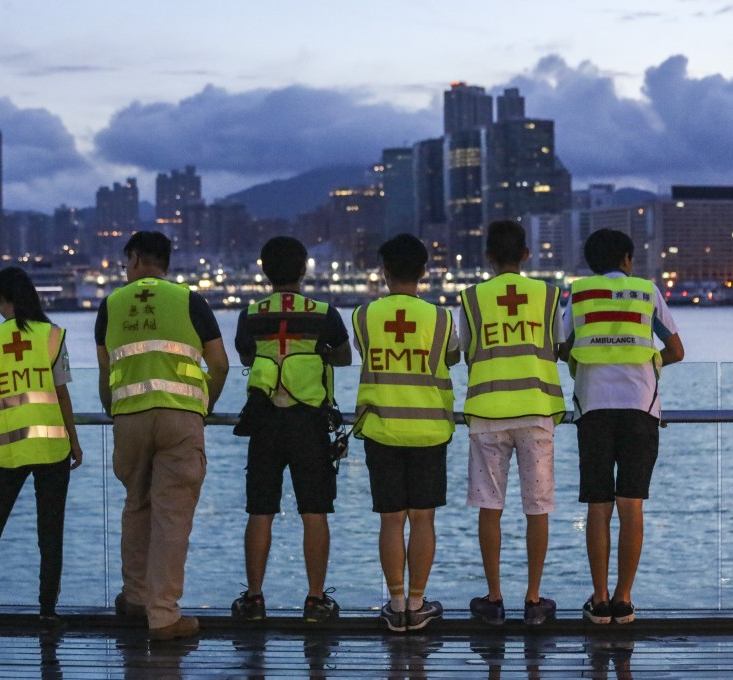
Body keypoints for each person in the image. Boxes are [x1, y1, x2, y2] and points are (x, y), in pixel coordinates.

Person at [96, 231, 229, 641]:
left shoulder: (110, 306)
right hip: (180, 418)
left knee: (136, 508)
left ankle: (135, 597)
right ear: (166, 263)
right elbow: (220, 364)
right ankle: (164, 615)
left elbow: (106, 374)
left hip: (129, 419)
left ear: (134, 258)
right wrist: (202, 407)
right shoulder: (190, 301)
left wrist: (115, 411)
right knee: (171, 517)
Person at [561, 228, 684, 624]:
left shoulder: (578, 293)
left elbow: (561, 345)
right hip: (640, 407)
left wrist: (583, 361)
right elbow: (677, 349)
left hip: (593, 405)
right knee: (632, 505)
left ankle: (598, 601)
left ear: (591, 261)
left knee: (599, 505)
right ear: (628, 259)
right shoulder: (647, 291)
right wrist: (652, 363)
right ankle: (624, 599)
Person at [0, 267, 83, 629]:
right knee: (50, 532)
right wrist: (74, 439)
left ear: (0, 299)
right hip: (51, 447)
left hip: (5, 451)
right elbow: (61, 393)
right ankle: (47, 611)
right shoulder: (53, 337)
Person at [230, 236, 351, 623]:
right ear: (303, 269)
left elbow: (246, 355)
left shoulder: (250, 314)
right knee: (314, 512)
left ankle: (254, 599)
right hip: (309, 420)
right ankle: (315, 600)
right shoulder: (323, 312)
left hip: (264, 419)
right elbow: (345, 357)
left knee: (260, 511)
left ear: (264, 270)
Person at [458, 220, 566, 627]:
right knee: (537, 509)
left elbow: (464, 349)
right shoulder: (549, 295)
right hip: (537, 411)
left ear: (487, 256)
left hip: (487, 413)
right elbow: (557, 344)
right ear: (526, 253)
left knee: (490, 507)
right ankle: (534, 600)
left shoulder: (472, 298)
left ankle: (494, 599)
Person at [351, 233, 459, 633]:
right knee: (423, 519)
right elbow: (452, 355)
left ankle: (396, 606)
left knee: (391, 520)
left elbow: (364, 353)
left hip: (382, 430)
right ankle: (418, 605)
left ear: (383, 272)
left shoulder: (363, 316)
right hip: (430, 429)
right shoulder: (442, 318)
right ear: (425, 272)